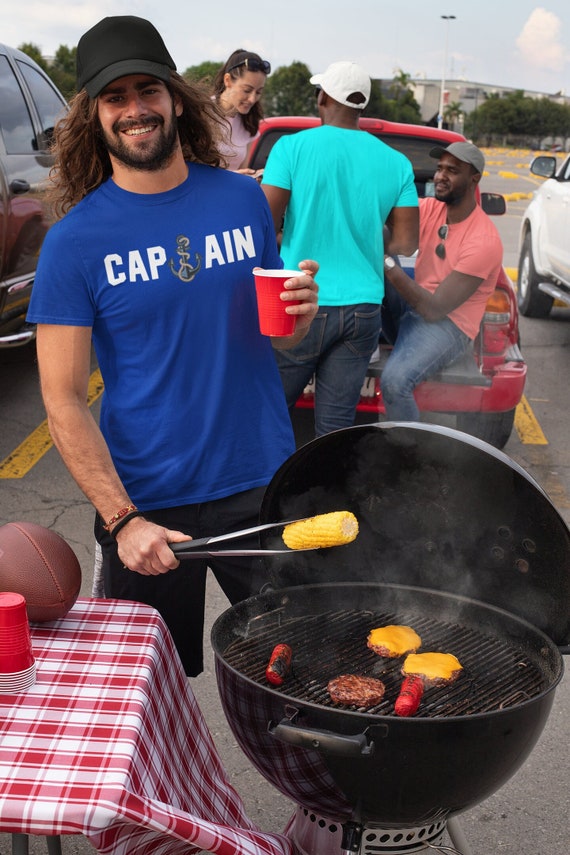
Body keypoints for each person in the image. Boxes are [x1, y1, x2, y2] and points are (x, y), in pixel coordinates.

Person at [26, 15, 318, 678]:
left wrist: (300, 314)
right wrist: (122, 517)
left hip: (261, 484)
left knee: (296, 672)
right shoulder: (75, 242)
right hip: (147, 503)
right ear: (94, 116)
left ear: (175, 97)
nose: (135, 109)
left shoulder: (242, 203)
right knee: (146, 692)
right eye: (115, 97)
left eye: (147, 89)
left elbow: (278, 329)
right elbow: (63, 400)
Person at [261, 61, 419, 437]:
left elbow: (263, 222)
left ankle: (264, 491)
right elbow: (406, 243)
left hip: (302, 301)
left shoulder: (291, 148)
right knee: (335, 429)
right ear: (360, 106)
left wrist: (289, 238)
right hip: (364, 309)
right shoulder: (397, 163)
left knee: (269, 411)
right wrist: (362, 236)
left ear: (324, 98)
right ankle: (324, 494)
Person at [380, 141, 503, 422]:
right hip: (412, 310)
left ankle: (406, 456)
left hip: (448, 326)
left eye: (452, 170)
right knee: (374, 230)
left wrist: (385, 261)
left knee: (395, 383)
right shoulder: (431, 209)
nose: (440, 177)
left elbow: (434, 309)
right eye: (439, 169)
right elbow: (382, 209)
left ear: (474, 179)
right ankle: (349, 331)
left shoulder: (483, 240)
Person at [212, 49, 270, 176]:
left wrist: (251, 177)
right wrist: (233, 177)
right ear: (227, 80)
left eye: (258, 92)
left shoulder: (249, 122)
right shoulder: (202, 114)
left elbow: (242, 171)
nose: (252, 99)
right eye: (247, 90)